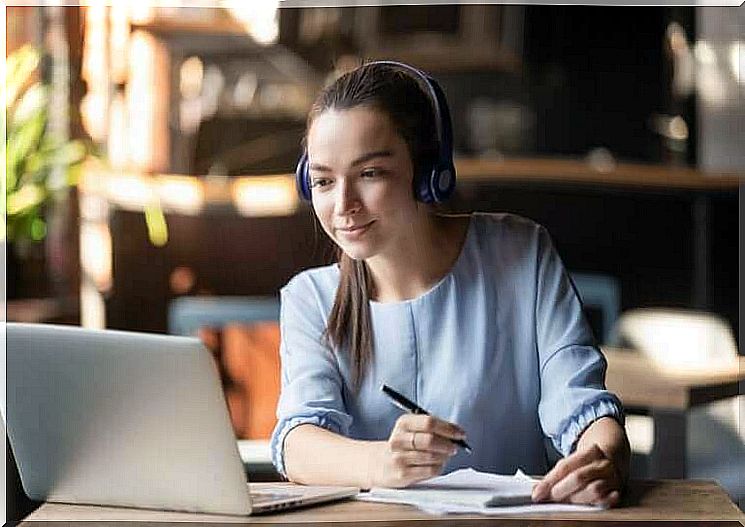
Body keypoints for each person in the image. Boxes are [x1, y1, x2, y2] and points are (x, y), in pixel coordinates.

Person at [270, 61, 630, 507]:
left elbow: (581, 405)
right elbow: (299, 443)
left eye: (370, 174)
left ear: (427, 172)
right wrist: (386, 462)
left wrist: (605, 457)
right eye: (323, 181)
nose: (343, 204)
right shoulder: (311, 297)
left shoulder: (521, 253)